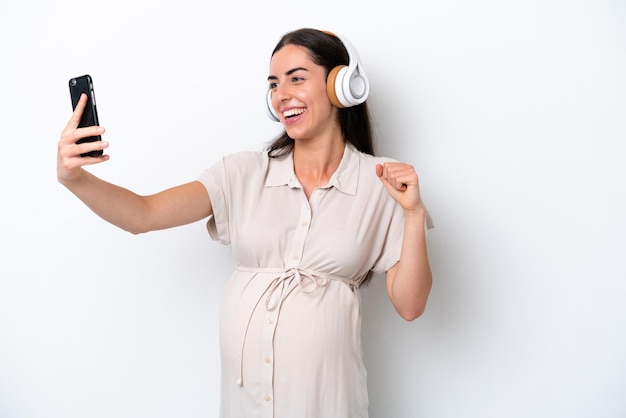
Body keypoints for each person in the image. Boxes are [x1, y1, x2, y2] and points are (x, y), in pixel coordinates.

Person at [57, 28, 433, 418]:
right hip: (246, 404)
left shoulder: (382, 182)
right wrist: (75, 178)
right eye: (274, 83)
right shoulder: (242, 173)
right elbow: (143, 215)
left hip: (327, 403)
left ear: (342, 86)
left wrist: (413, 213)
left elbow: (410, 305)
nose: (281, 94)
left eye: (297, 78)